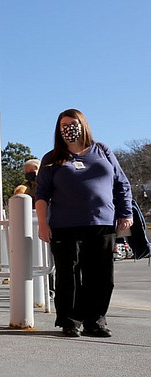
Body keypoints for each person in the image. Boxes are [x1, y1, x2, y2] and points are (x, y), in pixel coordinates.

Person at [35, 108, 132, 338]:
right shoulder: (52, 159)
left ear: (84, 124)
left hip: (102, 223)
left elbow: (121, 184)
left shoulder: (103, 151)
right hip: (65, 226)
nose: (69, 128)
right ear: (59, 130)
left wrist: (125, 213)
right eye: (64, 125)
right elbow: (41, 195)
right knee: (68, 275)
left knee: (100, 276)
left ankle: (95, 321)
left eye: (73, 123)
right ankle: (70, 321)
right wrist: (42, 224)